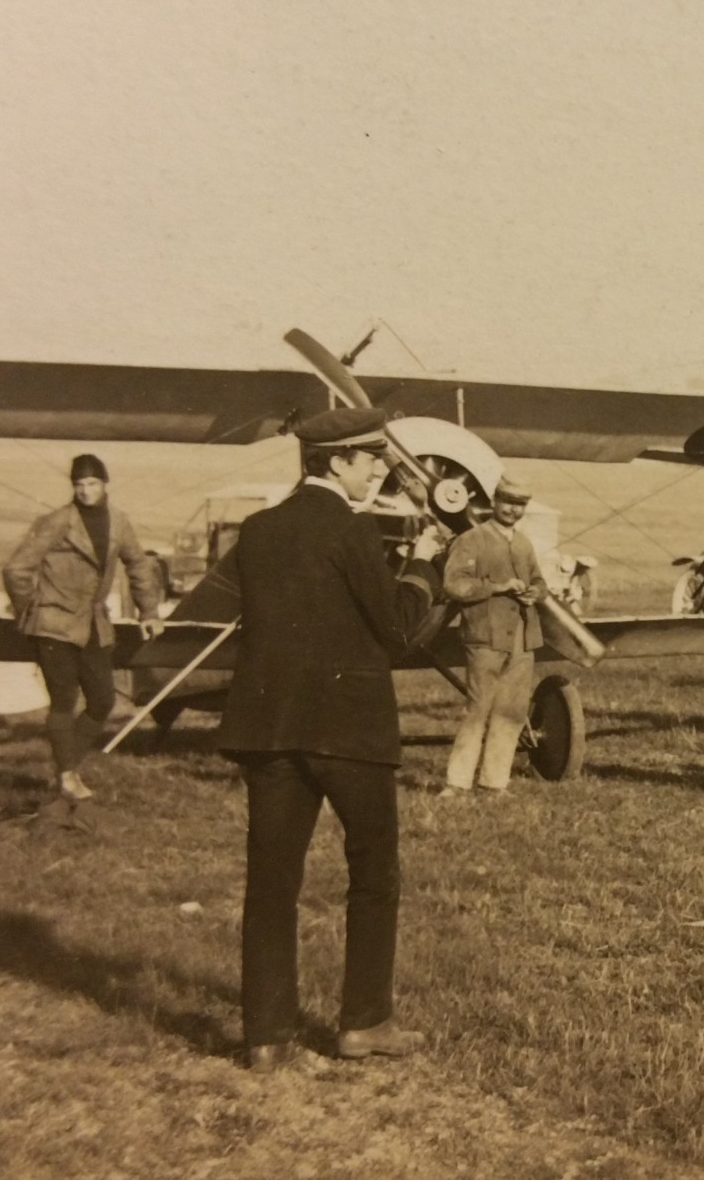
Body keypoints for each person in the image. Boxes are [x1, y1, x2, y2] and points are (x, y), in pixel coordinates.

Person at [216, 407, 444, 1071]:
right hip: (348, 730)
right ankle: (363, 1024)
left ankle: (265, 1036)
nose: (379, 468)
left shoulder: (256, 531)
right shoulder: (352, 528)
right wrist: (424, 563)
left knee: (271, 883)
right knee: (374, 873)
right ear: (336, 461)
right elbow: (398, 627)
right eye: (370, 457)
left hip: (269, 729)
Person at [1, 454, 163, 800]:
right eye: (79, 485)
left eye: (92, 484)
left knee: (103, 700)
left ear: (105, 484)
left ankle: (66, 768)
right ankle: (67, 778)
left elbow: (139, 564)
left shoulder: (119, 523)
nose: (85, 491)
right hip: (53, 624)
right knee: (63, 701)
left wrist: (149, 611)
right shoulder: (56, 522)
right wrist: (29, 611)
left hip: (93, 623)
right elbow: (17, 569)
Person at [441, 477, 547, 795]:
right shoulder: (472, 540)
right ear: (494, 502)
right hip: (484, 637)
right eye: (508, 503)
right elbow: (454, 585)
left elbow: (540, 581)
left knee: (512, 710)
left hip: (522, 639)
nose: (513, 511)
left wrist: (534, 593)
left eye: (520, 506)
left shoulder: (524, 544)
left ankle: (494, 782)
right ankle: (457, 783)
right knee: (478, 708)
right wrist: (498, 587)